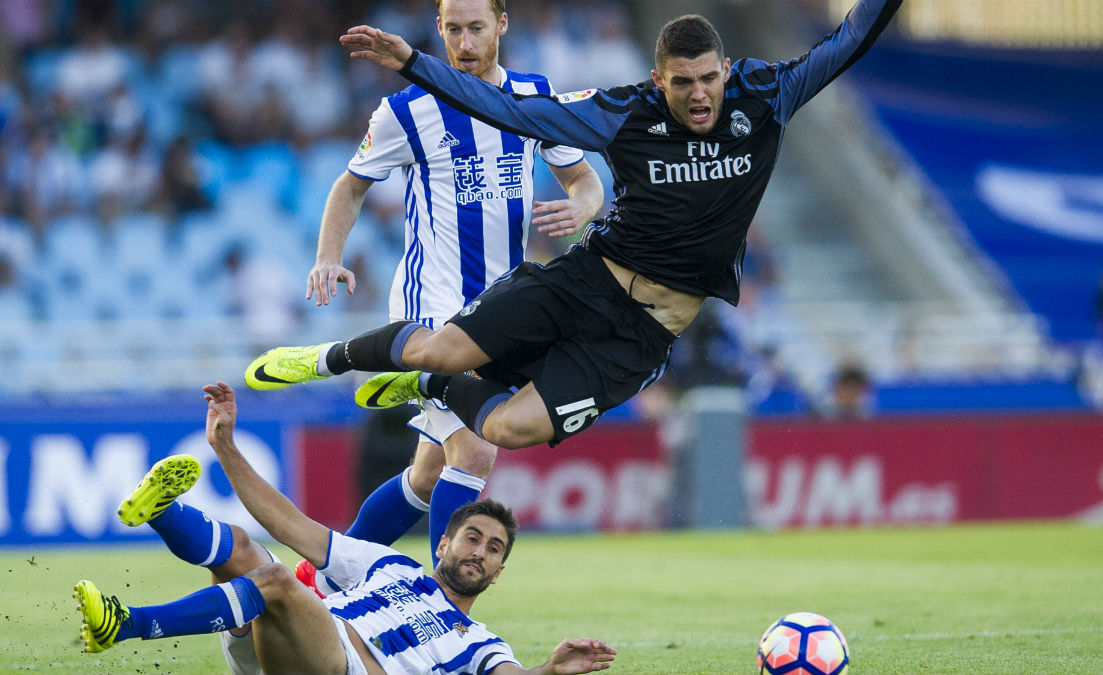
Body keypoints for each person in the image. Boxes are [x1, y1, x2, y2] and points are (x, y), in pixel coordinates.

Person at [245, 0, 903, 450]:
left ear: (726, 71)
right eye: (682, 83)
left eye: (708, 78)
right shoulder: (622, 111)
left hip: (642, 335)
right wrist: (417, 65)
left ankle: (435, 388)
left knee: (506, 430)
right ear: (658, 80)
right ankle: (325, 360)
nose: (699, 94)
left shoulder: (769, 96)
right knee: (438, 345)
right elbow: (514, 111)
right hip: (585, 283)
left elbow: (850, 37)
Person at [285, 0, 604, 573]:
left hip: (503, 312)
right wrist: (327, 257)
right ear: (439, 29)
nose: (464, 42)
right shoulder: (406, 110)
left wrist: (581, 207)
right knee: (476, 449)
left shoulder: (531, 96)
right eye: (452, 29)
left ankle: (320, 580)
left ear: (502, 25)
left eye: (476, 27)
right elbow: (350, 186)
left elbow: (583, 179)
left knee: (430, 475)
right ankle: (444, 607)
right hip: (429, 311)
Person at [74, 381, 617, 675]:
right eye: (473, 537)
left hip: (339, 666)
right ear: (443, 543)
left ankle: (128, 623)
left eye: (494, 549)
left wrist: (549, 670)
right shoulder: (392, 565)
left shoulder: (478, 642)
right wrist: (225, 447)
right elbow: (289, 523)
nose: (480, 552)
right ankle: (163, 512)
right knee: (245, 550)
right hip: (296, 647)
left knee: (277, 581)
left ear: (499, 572)